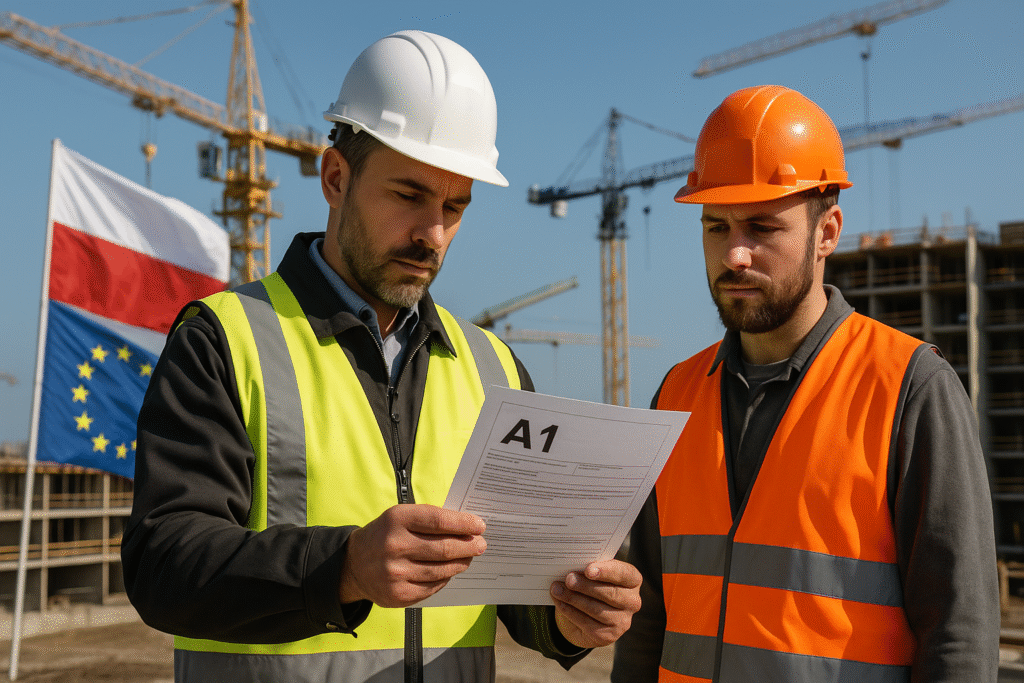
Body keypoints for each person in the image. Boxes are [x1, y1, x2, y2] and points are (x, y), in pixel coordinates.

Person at [122, 30, 641, 683]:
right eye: (409, 195)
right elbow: (163, 565)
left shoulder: (494, 368)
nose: (433, 233)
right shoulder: (225, 338)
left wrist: (570, 618)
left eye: (456, 206)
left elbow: (516, 585)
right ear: (335, 178)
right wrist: (344, 566)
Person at [611, 85, 998, 682]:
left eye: (763, 227)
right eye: (716, 227)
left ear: (827, 232)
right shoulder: (678, 393)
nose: (735, 254)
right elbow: (647, 618)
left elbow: (959, 636)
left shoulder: (908, 386)